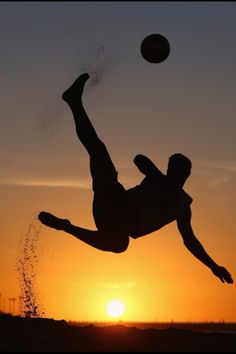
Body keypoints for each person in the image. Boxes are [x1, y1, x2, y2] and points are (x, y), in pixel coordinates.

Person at [38, 73, 233, 284]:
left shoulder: (183, 207)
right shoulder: (158, 178)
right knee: (98, 150)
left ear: (187, 174)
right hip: (112, 199)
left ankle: (65, 226)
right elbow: (139, 159)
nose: (174, 173)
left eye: (179, 171)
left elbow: (190, 241)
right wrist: (161, 179)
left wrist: (213, 266)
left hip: (115, 227)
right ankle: (74, 102)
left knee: (120, 245)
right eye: (171, 169)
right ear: (169, 169)